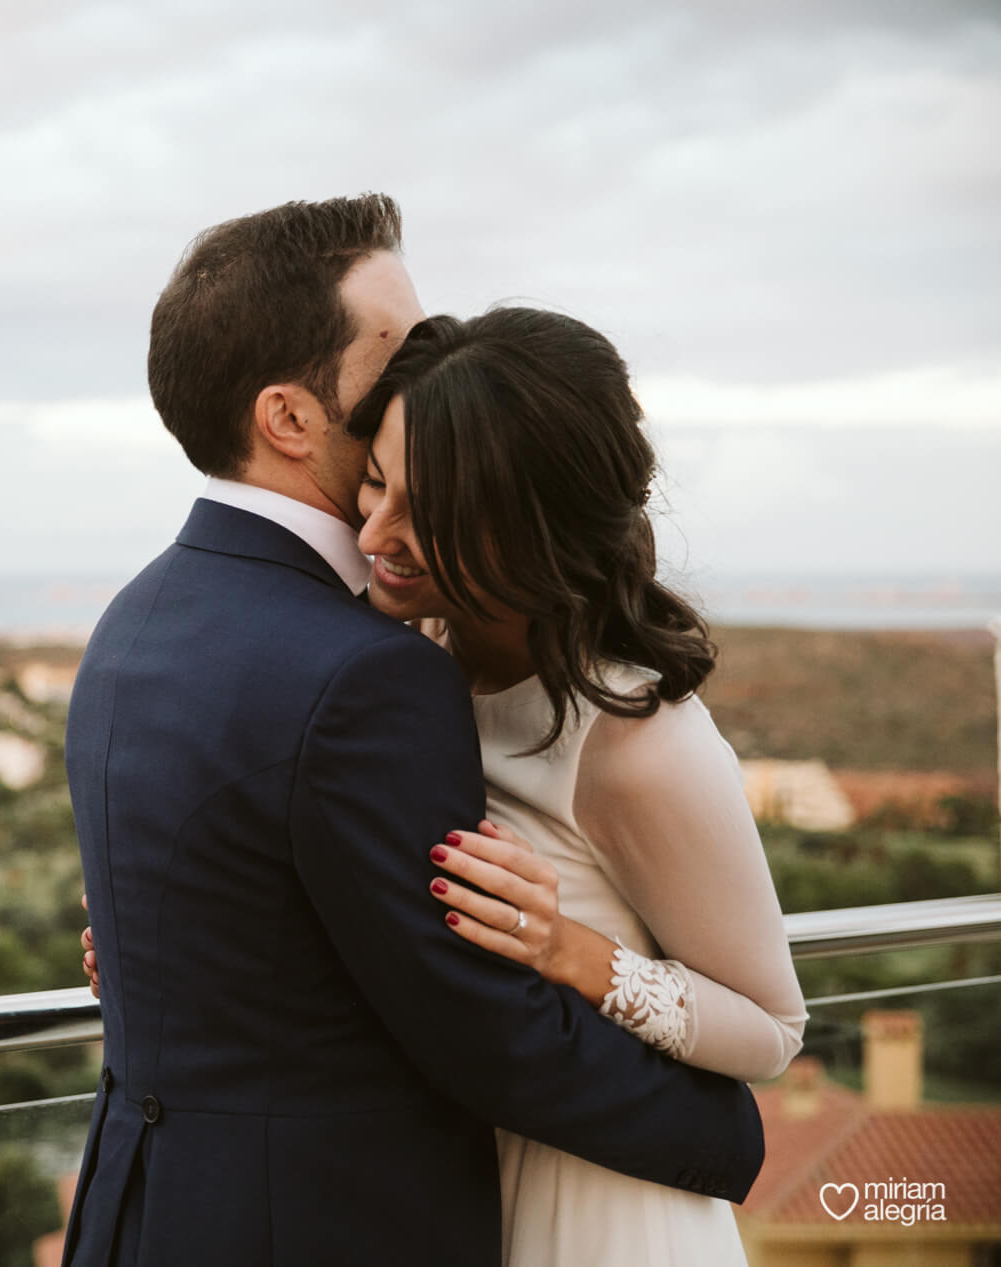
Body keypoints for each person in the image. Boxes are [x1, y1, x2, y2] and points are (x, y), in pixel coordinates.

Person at [59, 196, 765, 1267]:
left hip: (148, 1209)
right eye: (394, 355)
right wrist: (724, 1136)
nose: (427, 372)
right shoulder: (368, 672)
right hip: (315, 1223)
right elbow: (479, 1031)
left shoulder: (135, 619)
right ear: (291, 418)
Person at [352, 307, 806, 1264]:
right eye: (375, 482)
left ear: (532, 528)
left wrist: (571, 950)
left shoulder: (643, 746)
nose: (377, 532)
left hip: (599, 1209)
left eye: (425, 512)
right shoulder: (402, 655)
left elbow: (772, 1027)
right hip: (445, 1189)